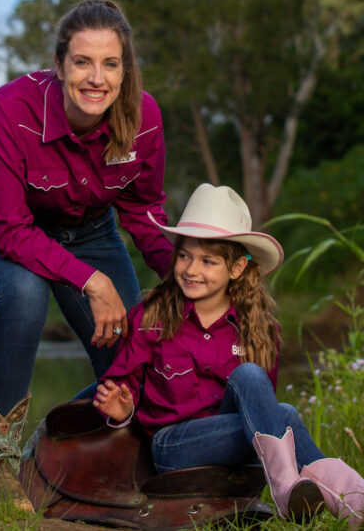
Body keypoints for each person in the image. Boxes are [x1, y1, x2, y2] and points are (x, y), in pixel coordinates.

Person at [0, 0, 172, 424]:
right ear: (59, 63)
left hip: (90, 233)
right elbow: (10, 227)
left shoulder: (145, 118)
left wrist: (186, 276)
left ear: (125, 69)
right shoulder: (11, 110)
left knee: (131, 368)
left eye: (110, 64)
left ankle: (58, 445)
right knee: (24, 291)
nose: (96, 79)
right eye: (82, 62)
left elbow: (144, 210)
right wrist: (91, 280)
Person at [93, 183, 364, 526]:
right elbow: (124, 382)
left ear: (236, 269)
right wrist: (122, 408)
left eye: (208, 261)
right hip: (175, 447)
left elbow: (260, 405)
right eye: (184, 256)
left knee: (253, 379)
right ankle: (349, 499)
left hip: (243, 453)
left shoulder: (259, 328)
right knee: (287, 415)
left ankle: (309, 493)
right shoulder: (152, 318)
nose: (191, 270)